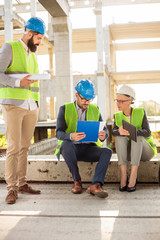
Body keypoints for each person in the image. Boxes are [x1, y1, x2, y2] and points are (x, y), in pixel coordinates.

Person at [0, 17, 46, 204]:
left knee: (25, 147)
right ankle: (11, 188)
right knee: (13, 147)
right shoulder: (10, 47)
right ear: (29, 33)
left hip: (30, 106)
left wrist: (36, 103)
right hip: (13, 105)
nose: (40, 42)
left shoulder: (33, 55)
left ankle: (22, 183)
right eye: (39, 38)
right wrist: (19, 82)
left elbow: (32, 81)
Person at [55, 79, 112, 198]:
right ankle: (77, 181)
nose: (87, 102)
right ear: (76, 95)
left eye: (89, 99)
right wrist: (71, 136)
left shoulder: (95, 109)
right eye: (84, 99)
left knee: (107, 152)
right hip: (72, 149)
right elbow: (59, 133)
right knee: (66, 144)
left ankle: (95, 185)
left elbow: (104, 129)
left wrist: (103, 134)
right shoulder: (64, 109)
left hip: (88, 148)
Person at [112, 85, 157, 192]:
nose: (118, 104)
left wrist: (133, 132)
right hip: (130, 153)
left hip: (145, 151)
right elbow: (113, 132)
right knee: (119, 137)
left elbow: (147, 132)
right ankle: (123, 176)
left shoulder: (140, 112)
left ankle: (133, 175)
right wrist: (119, 131)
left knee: (137, 136)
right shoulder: (117, 116)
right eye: (117, 100)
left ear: (130, 101)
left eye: (121, 101)